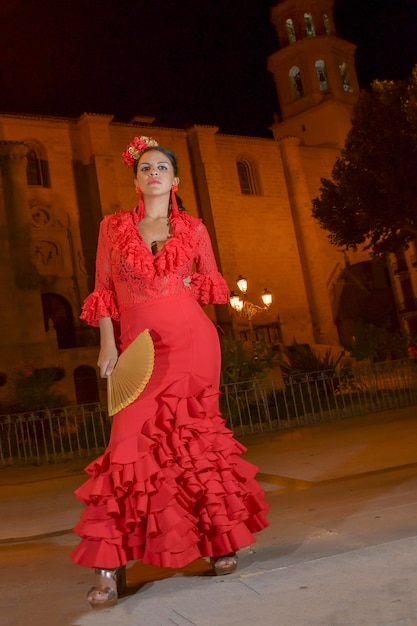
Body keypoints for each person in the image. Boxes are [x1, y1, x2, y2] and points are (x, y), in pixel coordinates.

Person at [70, 135, 269, 609]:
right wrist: (107, 344)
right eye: (144, 168)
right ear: (137, 180)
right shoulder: (113, 227)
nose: (152, 172)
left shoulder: (194, 229)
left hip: (193, 342)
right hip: (139, 349)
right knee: (127, 447)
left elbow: (210, 286)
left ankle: (222, 540)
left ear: (175, 180)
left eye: (161, 167)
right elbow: (102, 291)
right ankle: (108, 565)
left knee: (197, 440)